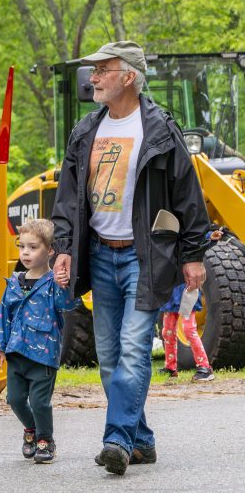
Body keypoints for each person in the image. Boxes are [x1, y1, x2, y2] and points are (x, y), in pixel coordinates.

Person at [51, 40, 210, 475]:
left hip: (145, 256)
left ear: (129, 77)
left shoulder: (159, 129)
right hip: (100, 255)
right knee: (108, 355)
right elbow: (67, 200)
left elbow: (188, 197)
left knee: (133, 349)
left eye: (103, 69)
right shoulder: (86, 130)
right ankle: (142, 441)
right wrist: (64, 249)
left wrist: (193, 255)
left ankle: (117, 439)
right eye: (93, 70)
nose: (93, 77)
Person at [0, 219, 80, 464]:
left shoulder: (53, 283)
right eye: (22, 247)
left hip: (43, 356)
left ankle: (45, 439)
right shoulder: (15, 282)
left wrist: (65, 285)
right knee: (15, 399)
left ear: (50, 251)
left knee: (40, 401)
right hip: (16, 353)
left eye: (33, 247)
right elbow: (3, 315)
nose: (25, 253)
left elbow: (68, 305)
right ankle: (31, 429)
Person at [159, 227, 221, 382]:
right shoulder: (165, 238)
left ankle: (204, 367)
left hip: (187, 290)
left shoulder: (187, 236)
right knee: (167, 330)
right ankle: (171, 367)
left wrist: (211, 237)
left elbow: (199, 241)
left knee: (188, 328)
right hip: (170, 291)